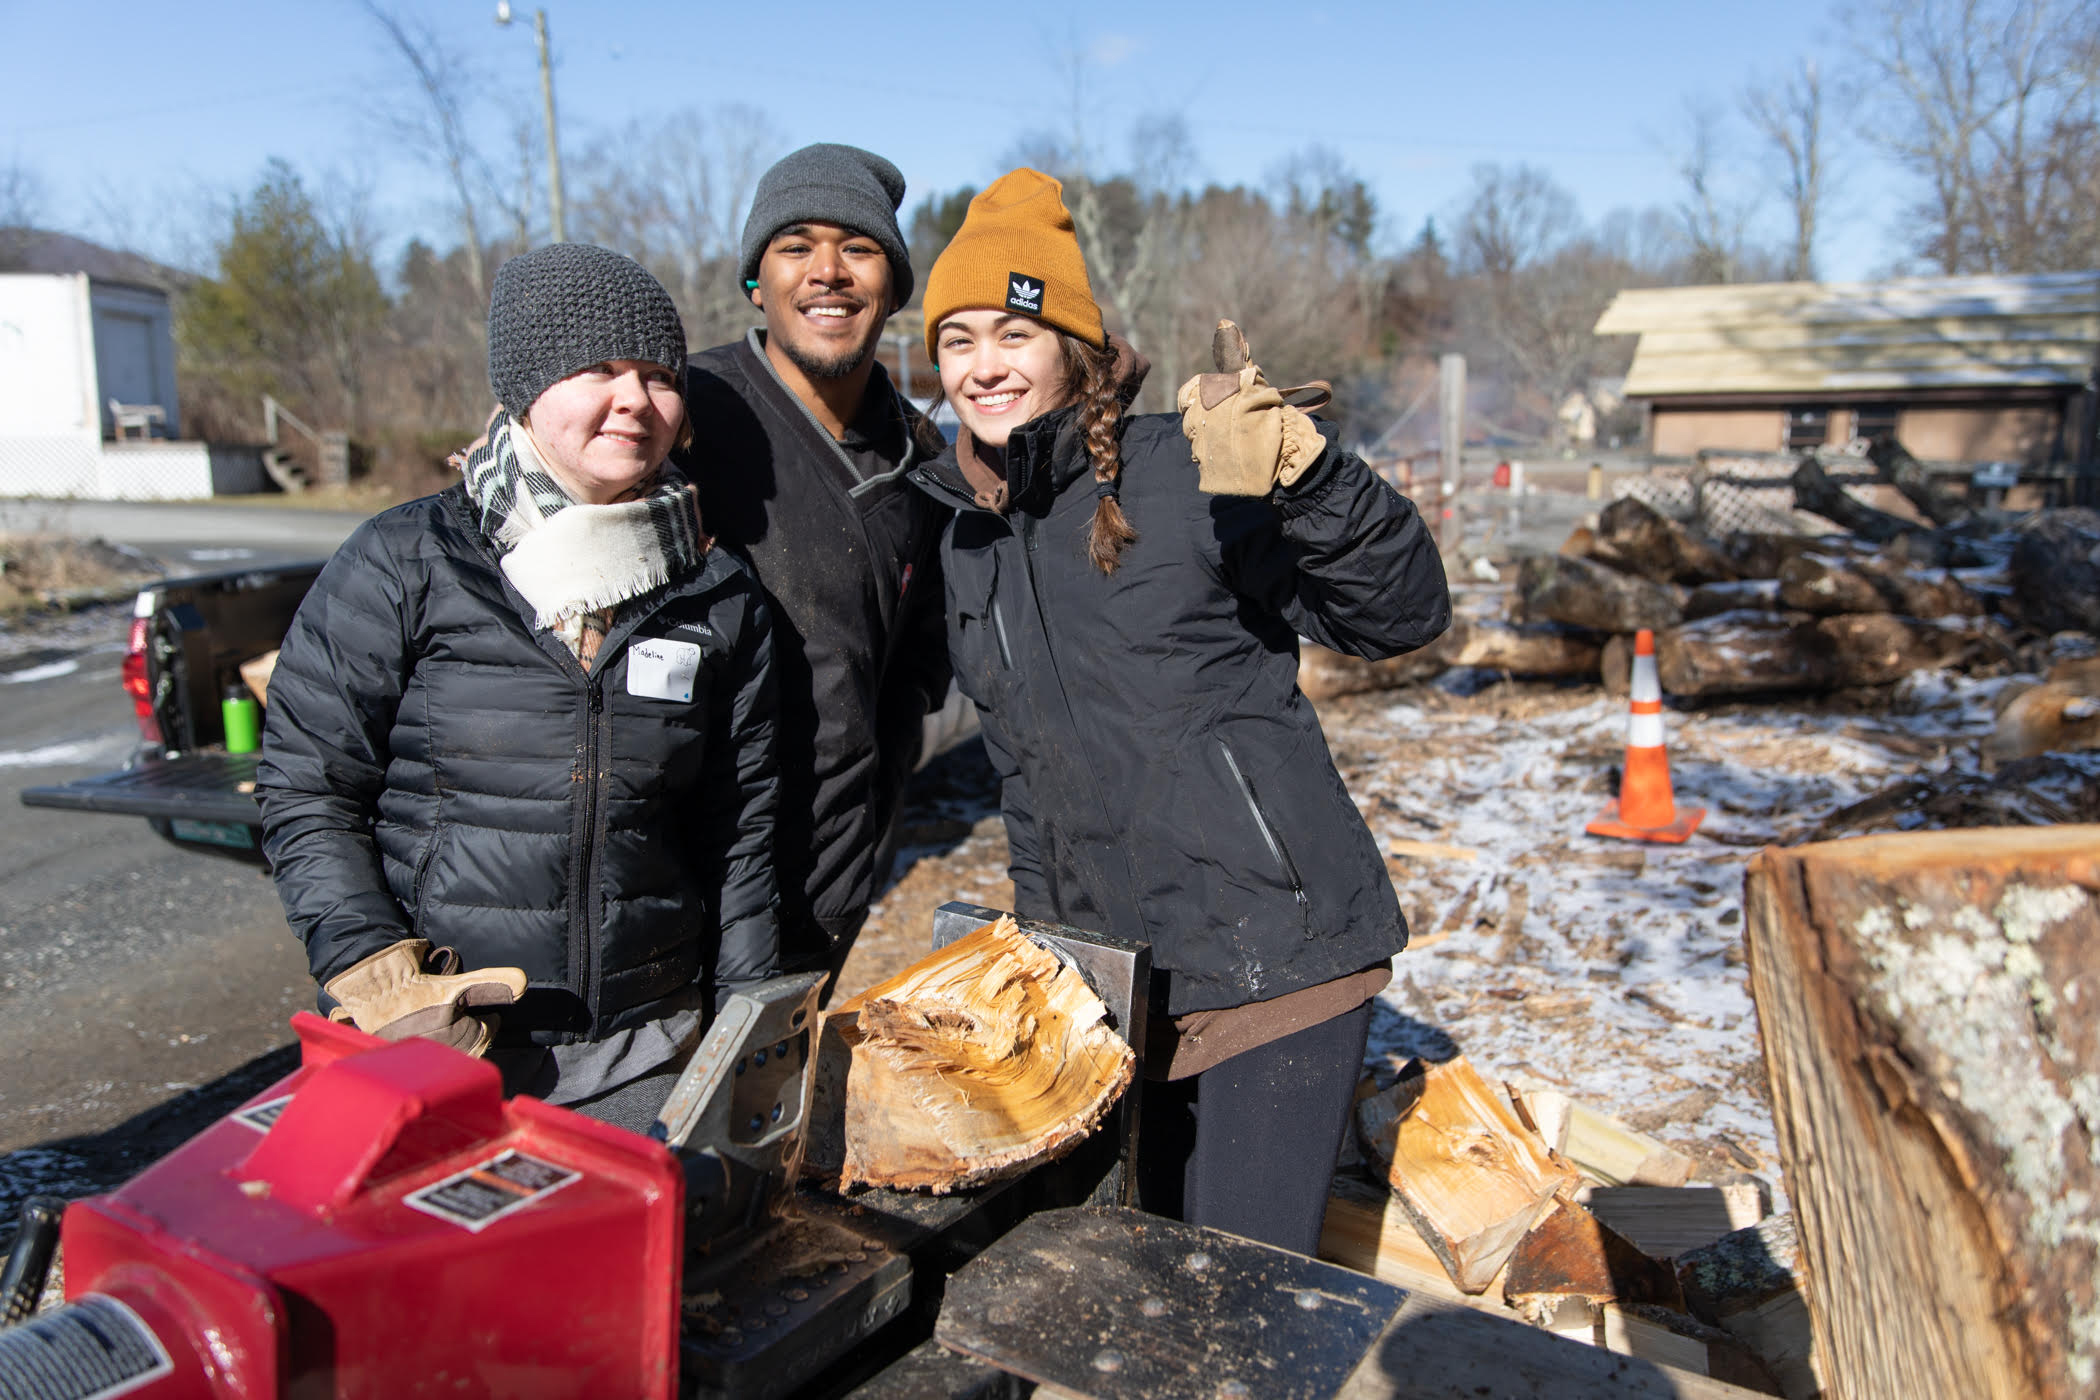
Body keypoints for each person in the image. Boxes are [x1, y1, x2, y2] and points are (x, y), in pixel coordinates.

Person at [909, 170, 1451, 1253]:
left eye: (1014, 331)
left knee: (1241, 1297)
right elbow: (1026, 772)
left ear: (1075, 345)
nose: (984, 365)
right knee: (1144, 1274)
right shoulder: (965, 532)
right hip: (1115, 978)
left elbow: (1401, 612)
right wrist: (1047, 952)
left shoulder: (1187, 466)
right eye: (958, 340)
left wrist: (1309, 475)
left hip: (1274, 954)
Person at [256, 243, 779, 1132]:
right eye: (598, 369)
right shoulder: (407, 561)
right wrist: (379, 973)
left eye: (659, 376)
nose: (634, 400)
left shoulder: (716, 591)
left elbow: (742, 826)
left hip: (642, 1046)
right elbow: (308, 789)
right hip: (443, 1041)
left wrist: (746, 1019)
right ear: (526, 386)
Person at [679, 143, 952, 992]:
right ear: (756, 280)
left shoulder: (921, 456)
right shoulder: (681, 415)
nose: (827, 271)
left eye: (859, 249)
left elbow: (918, 666)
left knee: (764, 1114)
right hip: (676, 881)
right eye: (796, 246)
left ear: (895, 289)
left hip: (827, 875)